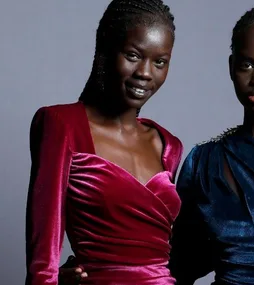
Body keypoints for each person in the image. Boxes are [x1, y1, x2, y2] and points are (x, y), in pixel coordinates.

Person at [59, 5, 254, 285]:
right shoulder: (204, 163)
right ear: (231, 68)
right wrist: (94, 271)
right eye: (247, 64)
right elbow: (172, 268)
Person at [25, 1, 183, 285]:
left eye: (160, 61)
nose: (145, 73)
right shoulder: (62, 125)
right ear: (107, 50)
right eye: (133, 55)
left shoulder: (168, 144)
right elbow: (43, 261)